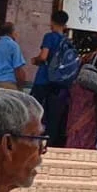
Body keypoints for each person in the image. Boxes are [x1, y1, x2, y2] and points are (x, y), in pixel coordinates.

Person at [30, 10, 71, 148]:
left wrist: (35, 60)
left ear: (52, 21)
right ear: (65, 24)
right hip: (59, 82)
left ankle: (33, 138)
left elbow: (43, 56)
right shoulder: (66, 40)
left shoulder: (49, 37)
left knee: (35, 109)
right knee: (53, 113)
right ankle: (50, 142)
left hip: (43, 79)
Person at [66, 34, 97, 149]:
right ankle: (84, 145)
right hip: (89, 91)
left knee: (76, 116)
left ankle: (72, 142)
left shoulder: (85, 56)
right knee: (88, 119)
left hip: (78, 89)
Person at [0, 22, 28, 90]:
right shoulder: (13, 46)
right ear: (11, 32)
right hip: (9, 83)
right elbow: (17, 69)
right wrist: (20, 85)